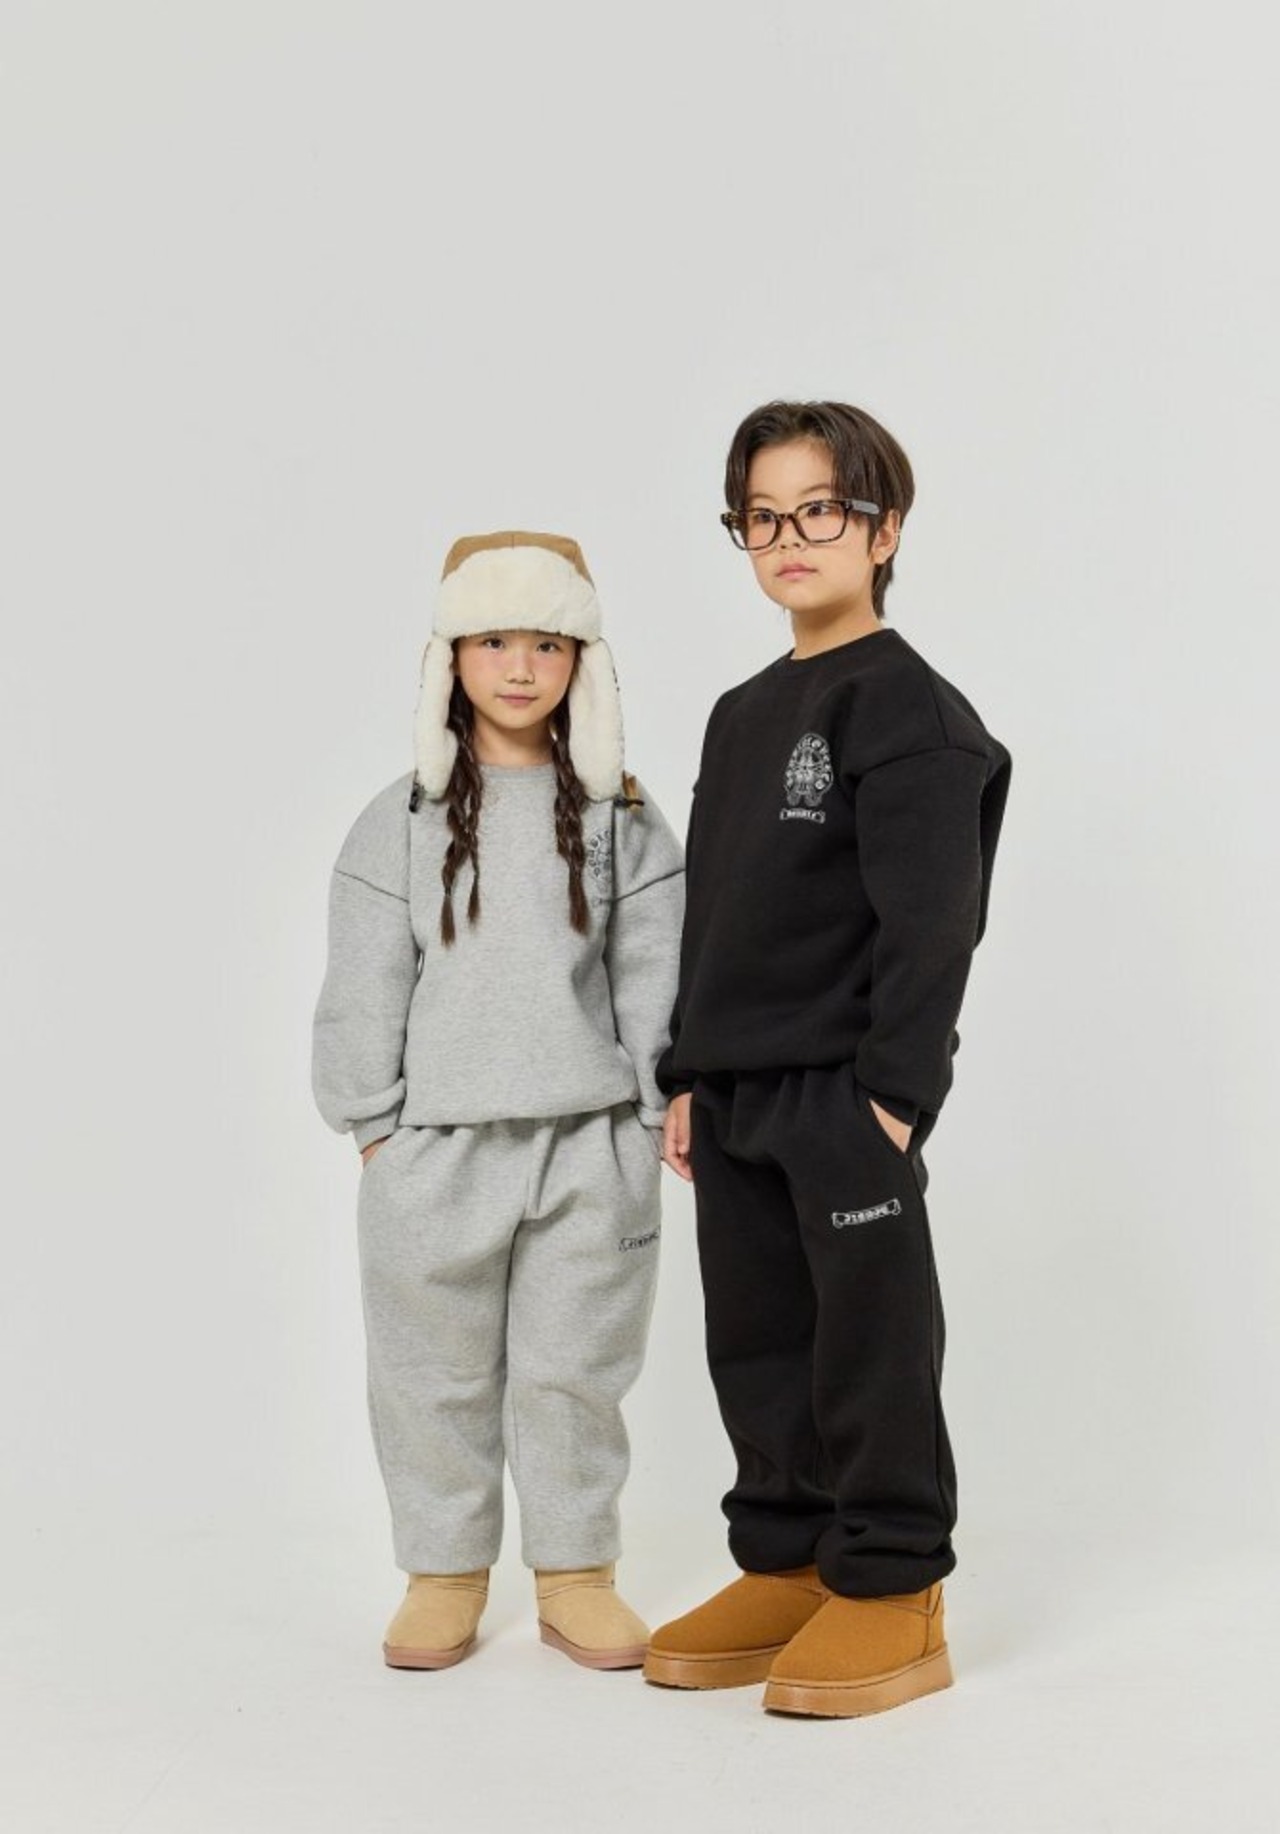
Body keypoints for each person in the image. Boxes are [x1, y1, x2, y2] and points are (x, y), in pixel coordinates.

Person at [644, 401, 1011, 1718]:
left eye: (820, 509)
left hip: (844, 1095)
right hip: (735, 1088)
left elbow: (932, 922)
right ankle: (788, 1560)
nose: (788, 536)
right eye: (762, 515)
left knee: (867, 1340)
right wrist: (687, 1072)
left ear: (883, 528)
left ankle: (895, 1583)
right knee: (756, 1340)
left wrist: (892, 1099)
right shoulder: (741, 713)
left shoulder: (910, 710)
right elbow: (718, 909)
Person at [313, 530, 683, 1672]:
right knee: (431, 1376)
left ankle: (576, 1575)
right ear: (450, 657)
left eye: (547, 643)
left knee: (577, 1375)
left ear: (582, 659)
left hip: (588, 1149)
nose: (520, 668)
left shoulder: (620, 816)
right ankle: (442, 1573)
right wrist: (374, 1127)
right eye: (492, 642)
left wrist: (650, 1110)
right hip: (434, 1156)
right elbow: (365, 982)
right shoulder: (399, 821)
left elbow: (654, 975)